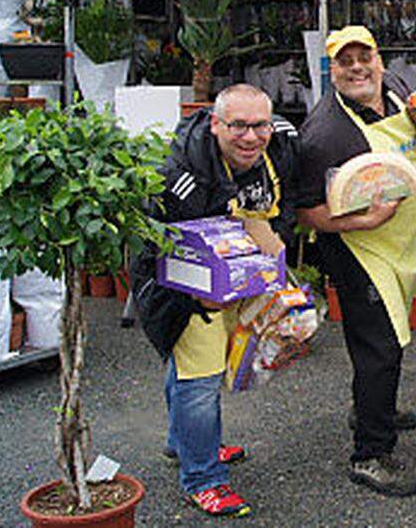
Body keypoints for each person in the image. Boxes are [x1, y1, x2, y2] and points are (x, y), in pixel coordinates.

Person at [295, 26, 416, 498]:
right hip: (361, 250)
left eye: (363, 57)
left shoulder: (393, 88)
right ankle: (370, 453)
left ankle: (373, 407)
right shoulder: (323, 134)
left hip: (400, 241)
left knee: (385, 341)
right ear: (330, 70)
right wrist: (362, 222)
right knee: (381, 346)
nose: (356, 68)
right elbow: (305, 211)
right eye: (343, 61)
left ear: (378, 59)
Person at [132, 83, 300, 518]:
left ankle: (184, 442)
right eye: (238, 126)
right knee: (200, 379)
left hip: (236, 274)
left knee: (187, 369)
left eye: (259, 125)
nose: (250, 136)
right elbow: (166, 249)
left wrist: (279, 276)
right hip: (183, 285)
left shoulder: (277, 147)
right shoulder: (180, 175)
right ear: (215, 124)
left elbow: (275, 212)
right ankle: (203, 478)